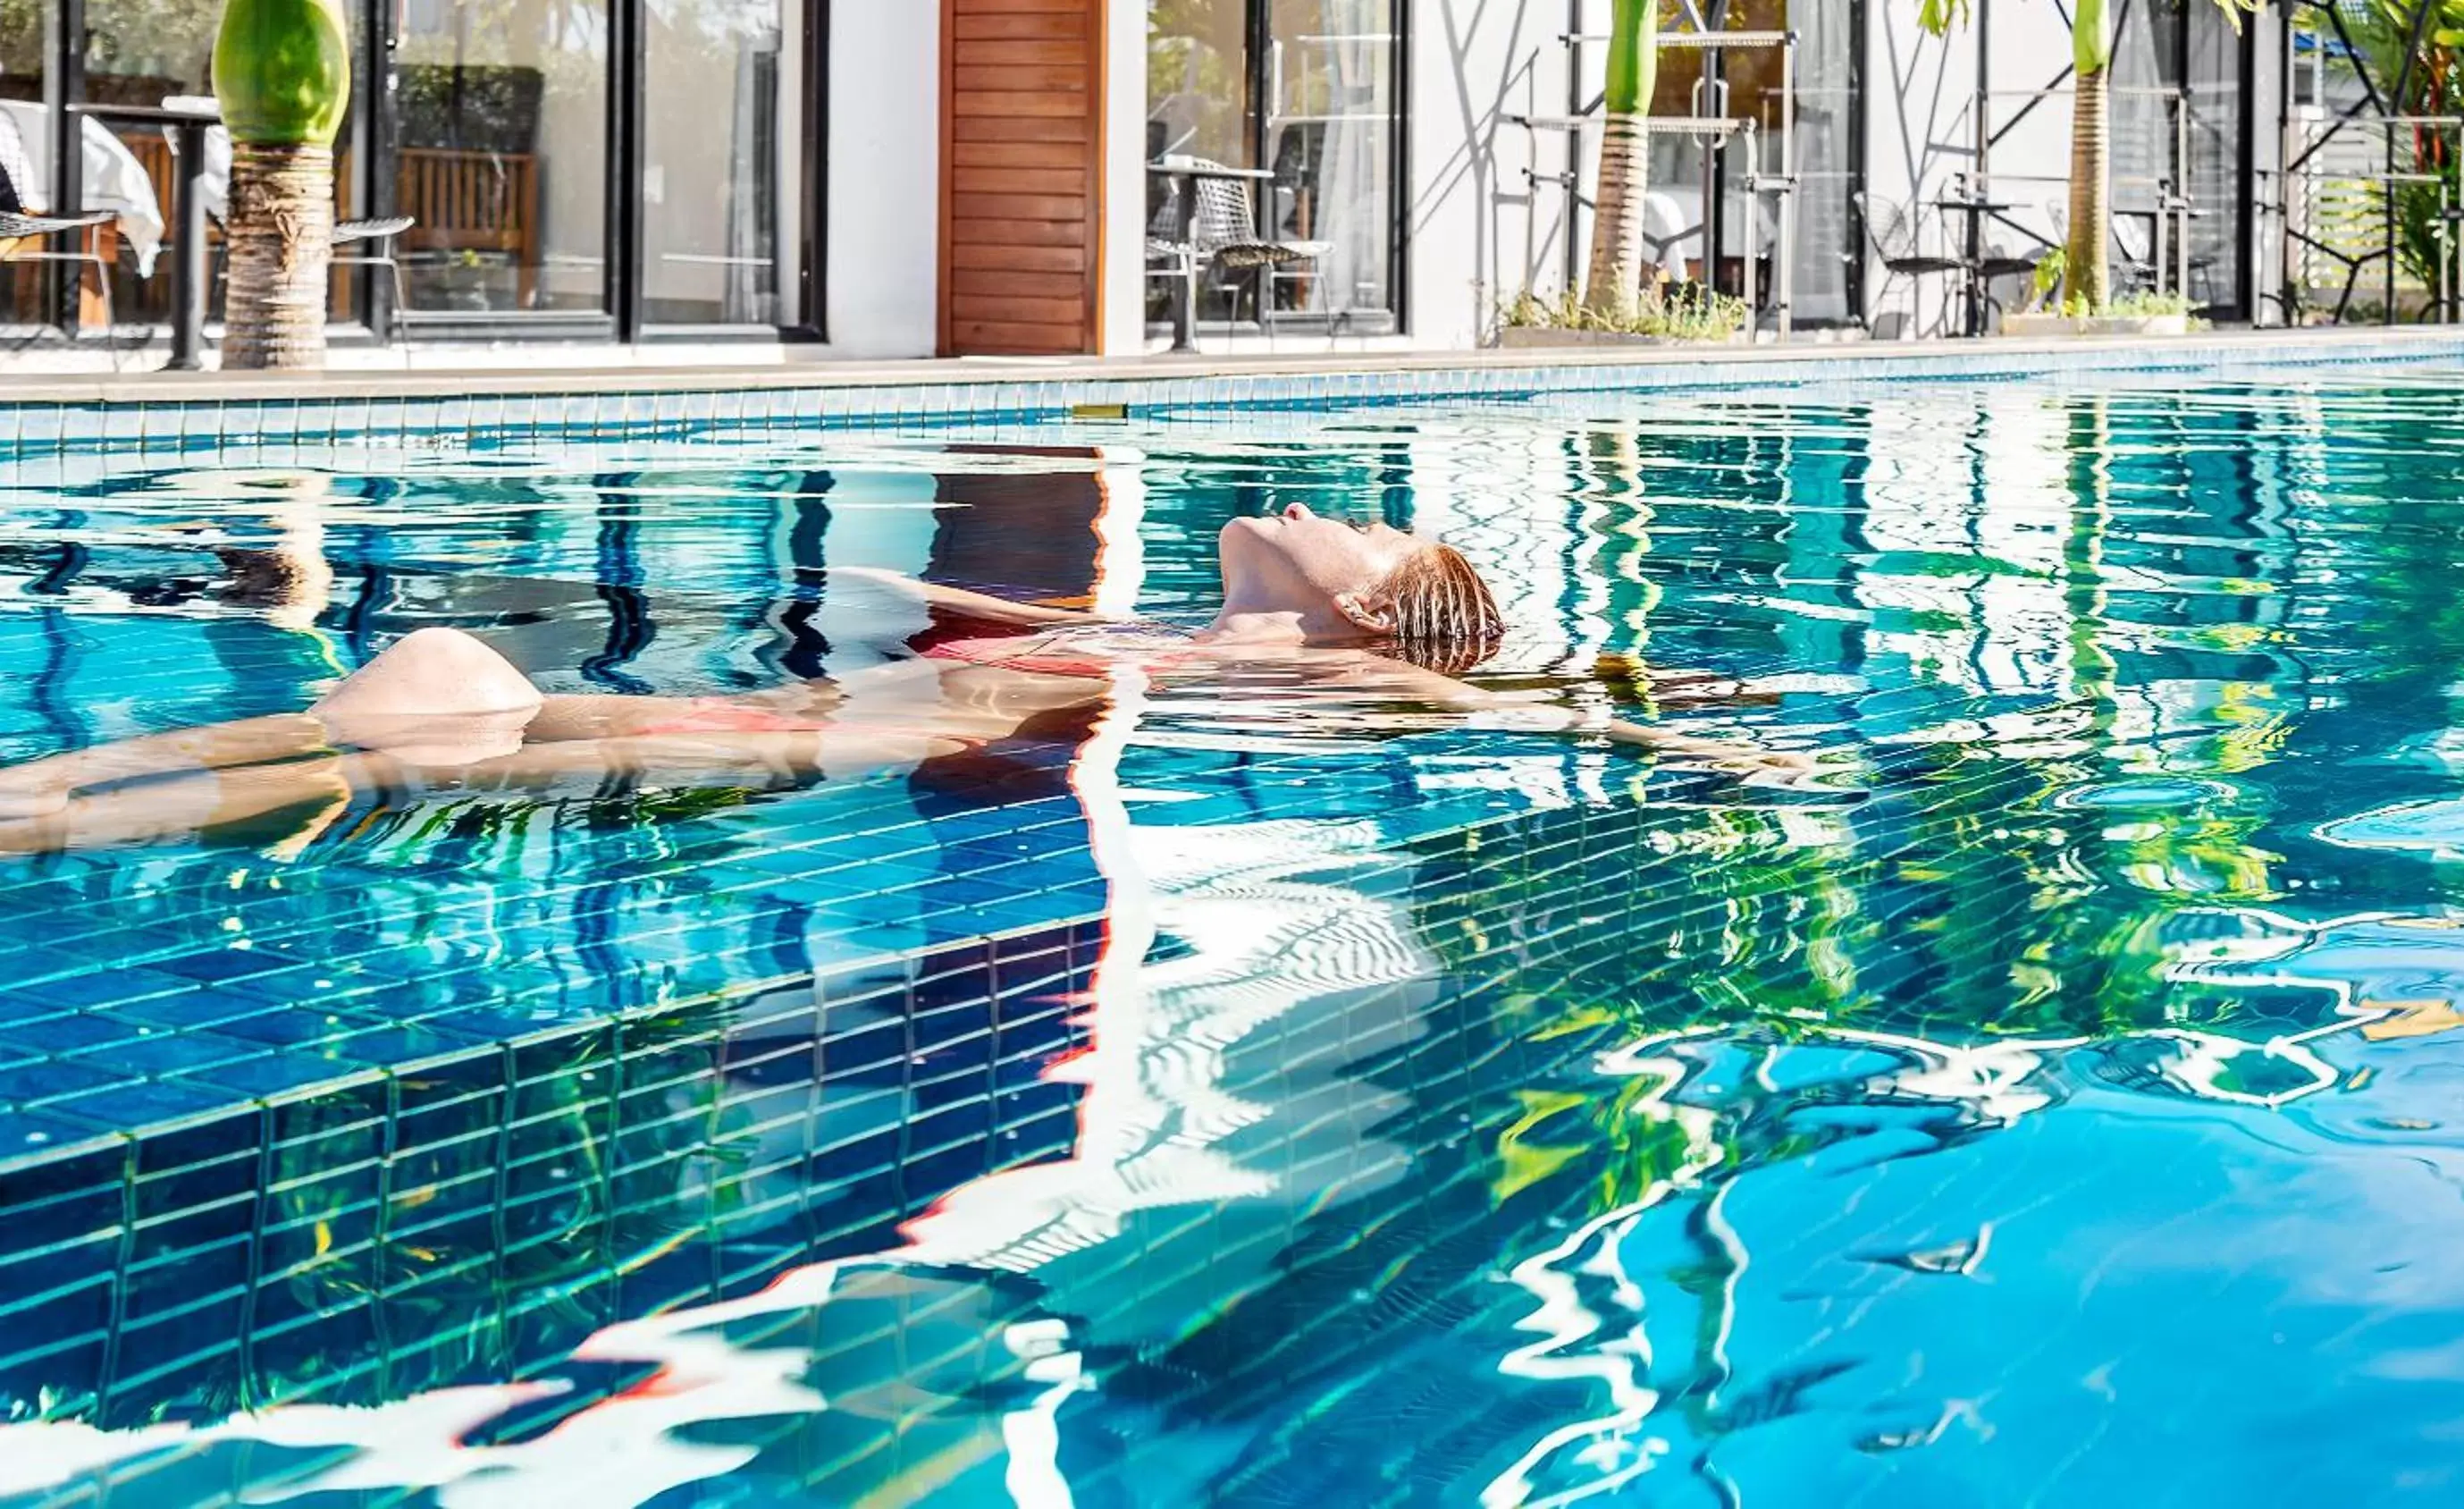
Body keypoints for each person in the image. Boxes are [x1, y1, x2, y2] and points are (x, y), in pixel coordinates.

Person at [0, 503, 1809, 855]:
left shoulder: (1334, 663)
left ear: (1385, 612)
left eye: (1373, 529)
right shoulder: (1255, 620)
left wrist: (1657, 716)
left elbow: (1510, 695)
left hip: (851, 735)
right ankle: (33, 811)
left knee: (429, 729)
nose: (1329, 512)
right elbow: (1261, 540)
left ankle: (38, 822)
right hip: (858, 720)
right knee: (420, 714)